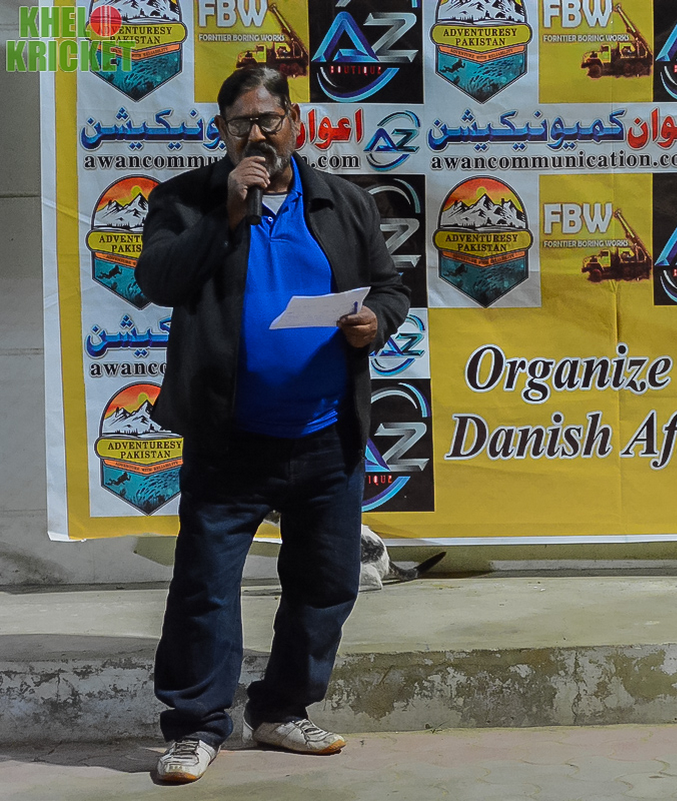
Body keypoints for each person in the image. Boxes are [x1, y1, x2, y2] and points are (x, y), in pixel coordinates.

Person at [135, 65, 410, 783]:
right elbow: (158, 281)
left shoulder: (344, 202)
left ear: (296, 123)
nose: (256, 135)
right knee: (204, 588)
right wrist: (227, 214)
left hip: (326, 434)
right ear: (221, 132)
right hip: (229, 440)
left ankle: (282, 710)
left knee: (326, 585)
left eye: (268, 120)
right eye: (240, 124)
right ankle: (195, 728)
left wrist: (375, 321)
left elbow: (390, 287)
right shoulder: (185, 199)